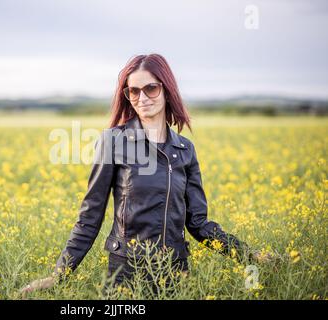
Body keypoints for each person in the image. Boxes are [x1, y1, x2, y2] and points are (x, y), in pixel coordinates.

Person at [21, 53, 271, 297]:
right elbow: (90, 216)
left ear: (166, 89)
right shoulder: (113, 142)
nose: (142, 97)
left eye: (150, 88)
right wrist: (58, 274)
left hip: (175, 273)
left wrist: (250, 256)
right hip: (126, 274)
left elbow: (198, 223)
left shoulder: (185, 150)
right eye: (133, 91)